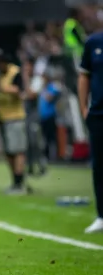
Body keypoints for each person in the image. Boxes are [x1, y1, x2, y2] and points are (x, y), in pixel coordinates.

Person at [0, 50, 30, 195]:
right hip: (2, 117)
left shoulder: (15, 72)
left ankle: (20, 184)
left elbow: (19, 91)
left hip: (15, 117)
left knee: (17, 150)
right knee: (8, 152)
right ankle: (15, 182)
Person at [78, 30, 103, 234]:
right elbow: (84, 75)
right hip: (99, 114)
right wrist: (84, 108)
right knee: (99, 166)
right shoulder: (94, 42)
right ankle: (102, 216)